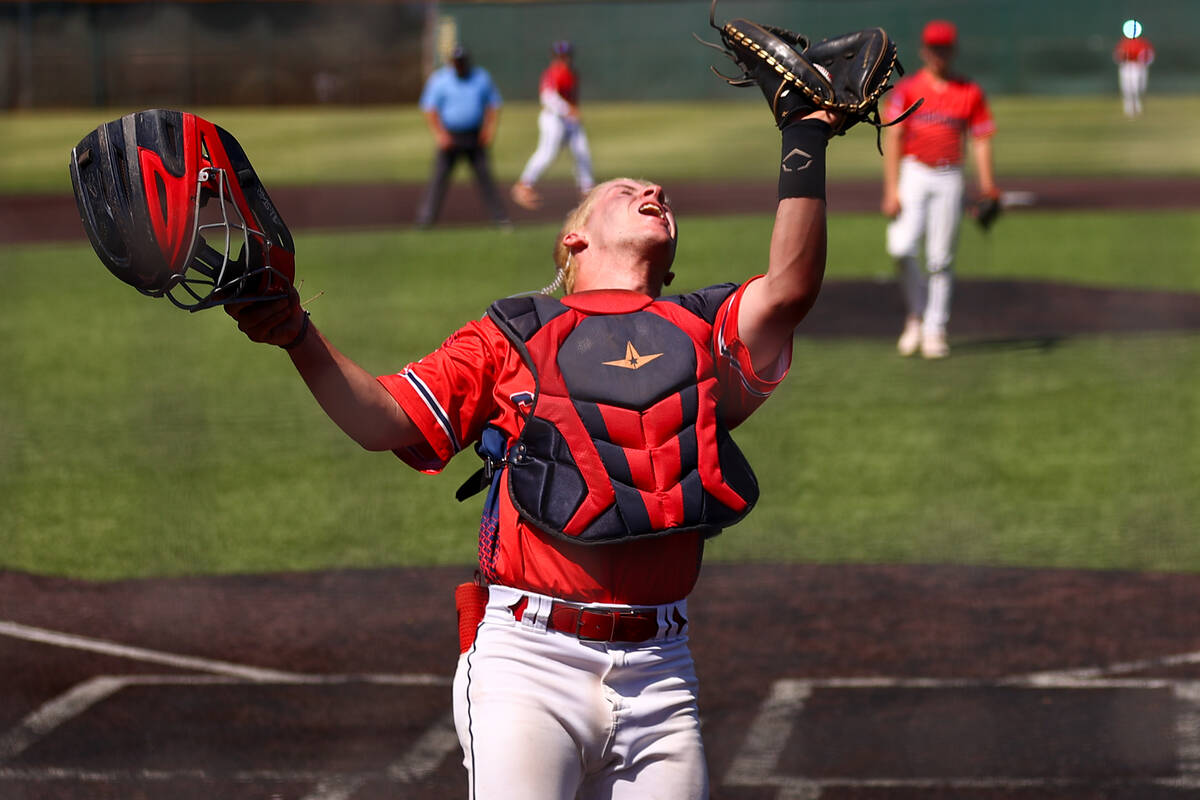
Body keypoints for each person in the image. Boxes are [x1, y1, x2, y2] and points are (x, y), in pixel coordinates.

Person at [226, 101, 843, 798]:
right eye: (625, 191)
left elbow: (790, 289)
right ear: (573, 241)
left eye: (659, 195)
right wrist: (297, 336)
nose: (654, 194)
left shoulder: (699, 328)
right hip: (529, 663)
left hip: (662, 670)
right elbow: (389, 418)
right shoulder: (512, 333)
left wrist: (805, 132)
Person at [881, 19, 998, 359]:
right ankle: (916, 314)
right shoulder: (909, 88)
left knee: (939, 258)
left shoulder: (968, 91)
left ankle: (935, 327)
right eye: (933, 47)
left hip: (949, 176)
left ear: (953, 50)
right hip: (914, 171)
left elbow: (981, 139)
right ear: (924, 50)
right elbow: (894, 136)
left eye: (944, 47)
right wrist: (891, 189)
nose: (939, 53)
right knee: (901, 247)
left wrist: (988, 185)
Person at [416, 46, 510, 228]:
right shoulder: (440, 80)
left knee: (486, 179)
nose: (459, 65)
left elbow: (493, 105)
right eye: (456, 62)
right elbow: (430, 108)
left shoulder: (480, 77)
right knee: (438, 180)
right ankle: (426, 220)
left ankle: (500, 219)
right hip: (450, 137)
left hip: (474, 136)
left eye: (462, 61)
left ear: (468, 61)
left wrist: (488, 130)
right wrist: (440, 134)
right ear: (451, 62)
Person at [511, 40, 596, 211]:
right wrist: (567, 110)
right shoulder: (552, 73)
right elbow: (547, 97)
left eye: (565, 55)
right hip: (553, 120)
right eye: (560, 55)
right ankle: (524, 184)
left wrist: (571, 112)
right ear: (554, 57)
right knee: (547, 153)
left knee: (582, 152)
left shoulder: (572, 73)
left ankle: (587, 190)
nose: (563, 59)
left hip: (569, 121)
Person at [1113, 23, 1155, 118]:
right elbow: (1117, 55)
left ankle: (1137, 106)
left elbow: (1149, 55)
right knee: (1127, 88)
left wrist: (1144, 63)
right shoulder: (1124, 43)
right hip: (1126, 66)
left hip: (1138, 66)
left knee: (1138, 88)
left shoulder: (1142, 43)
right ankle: (1128, 108)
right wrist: (1122, 60)